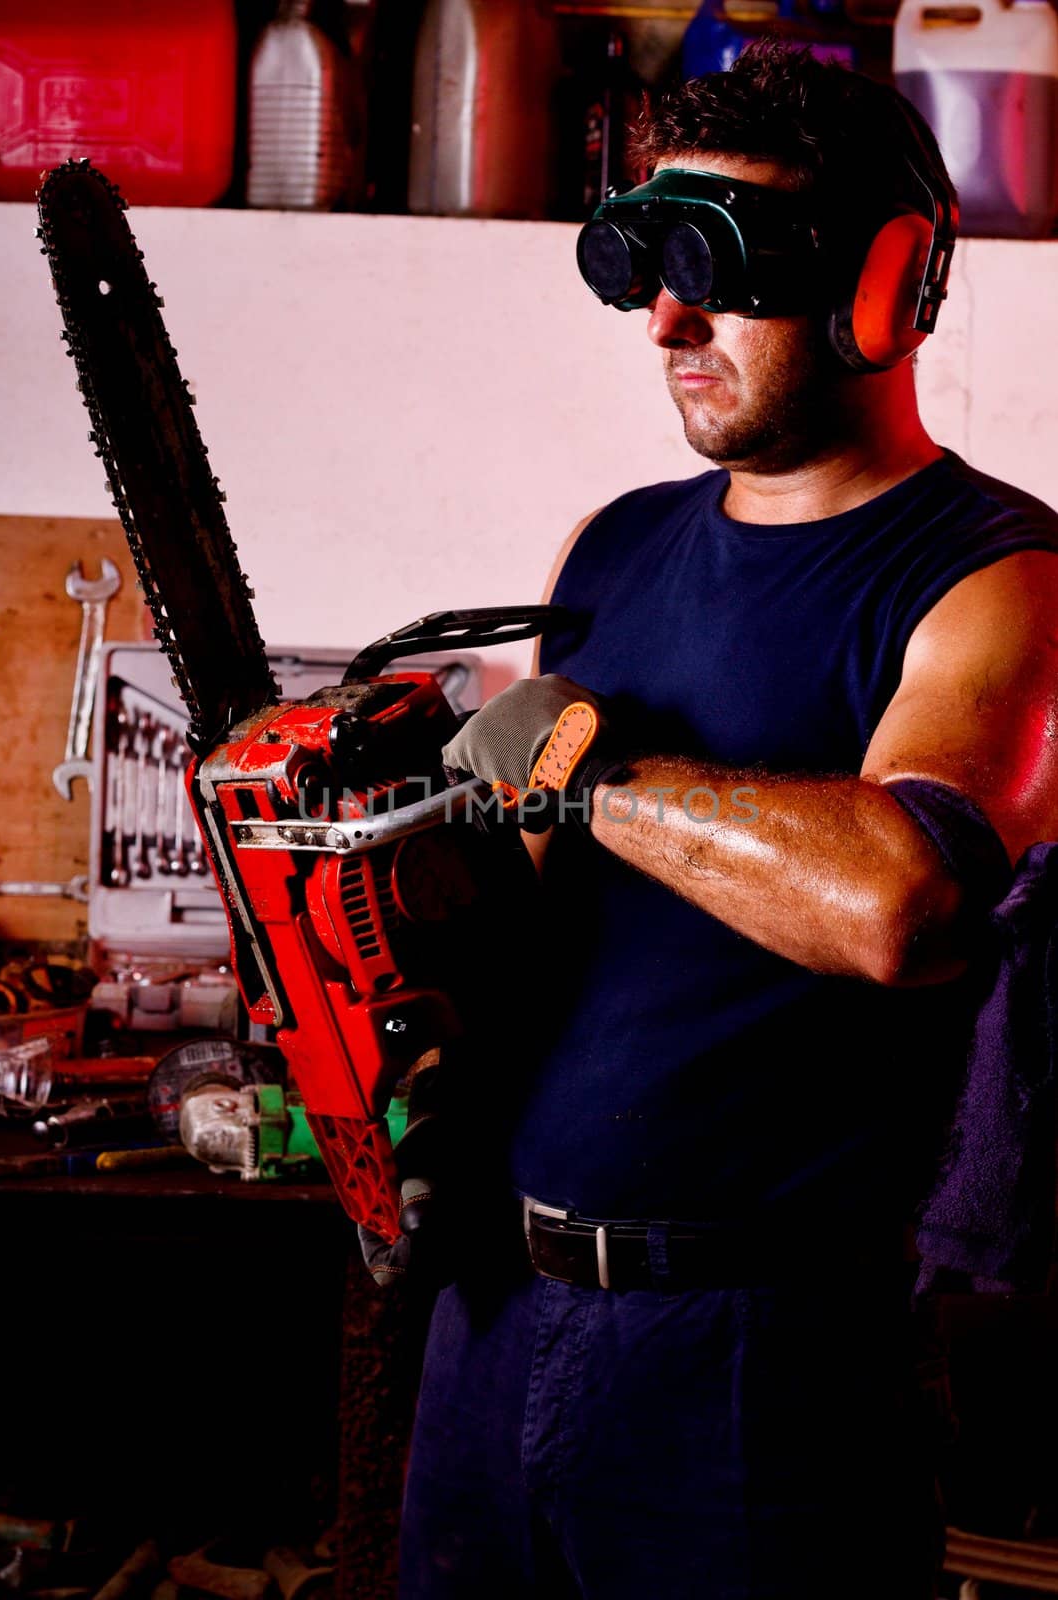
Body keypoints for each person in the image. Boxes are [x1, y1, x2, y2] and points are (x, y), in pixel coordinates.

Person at [388, 41, 1058, 1600]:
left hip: (759, 1360)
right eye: (647, 261)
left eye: (719, 264)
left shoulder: (996, 581)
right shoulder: (609, 551)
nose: (667, 318)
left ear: (888, 287)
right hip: (496, 1303)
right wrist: (374, 876)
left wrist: (588, 775)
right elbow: (528, 911)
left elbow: (907, 901)